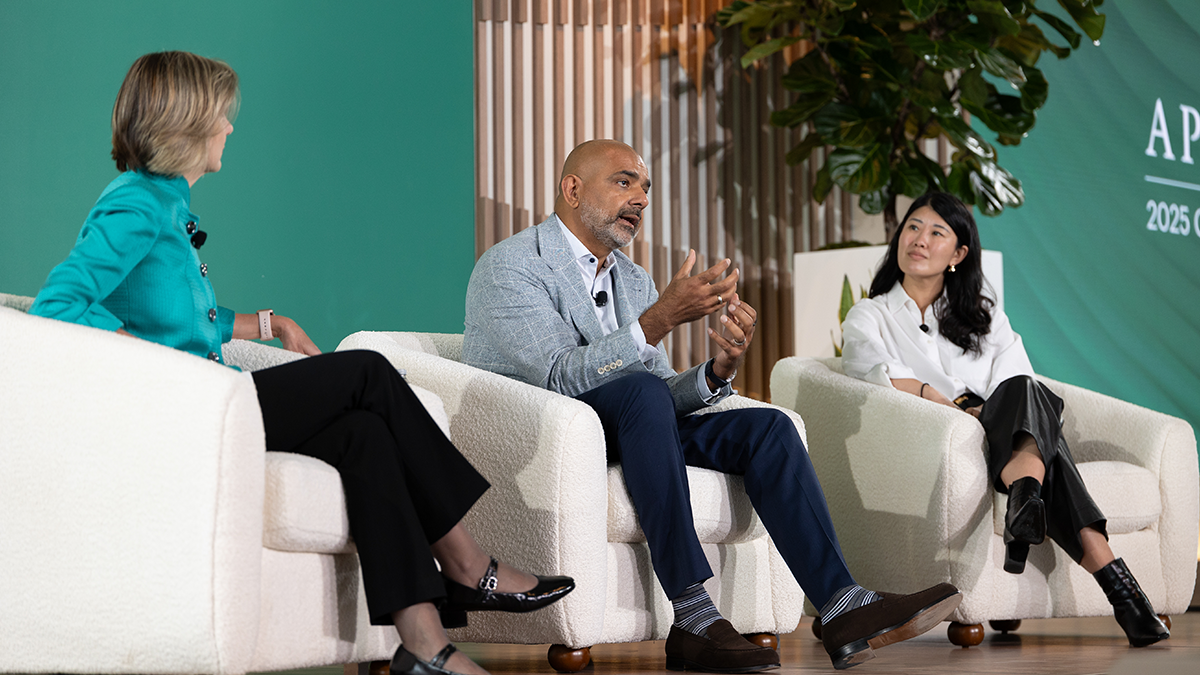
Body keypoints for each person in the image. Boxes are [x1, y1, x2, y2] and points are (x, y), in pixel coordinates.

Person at [28, 51, 574, 675]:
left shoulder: (165, 203)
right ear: (186, 123)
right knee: (366, 372)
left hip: (213, 401)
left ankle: (424, 647)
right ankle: (469, 563)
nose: (229, 127)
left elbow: (178, 314)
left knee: (364, 434)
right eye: (221, 115)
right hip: (192, 411)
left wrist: (270, 324)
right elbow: (56, 306)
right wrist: (143, 354)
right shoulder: (136, 205)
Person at [462, 139, 961, 671]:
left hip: (635, 425)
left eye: (645, 187)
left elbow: (660, 390)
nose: (641, 198)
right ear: (572, 189)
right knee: (640, 393)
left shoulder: (632, 278)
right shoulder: (512, 266)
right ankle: (694, 614)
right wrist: (657, 321)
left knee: (768, 428)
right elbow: (556, 377)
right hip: (549, 434)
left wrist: (717, 371)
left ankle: (843, 604)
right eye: (624, 182)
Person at [840, 191, 1170, 648]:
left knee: (1025, 393)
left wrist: (987, 411)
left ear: (958, 255)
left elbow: (1019, 380)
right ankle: (1112, 580)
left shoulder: (983, 315)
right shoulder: (870, 314)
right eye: (913, 227)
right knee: (1040, 432)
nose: (919, 239)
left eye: (936, 232)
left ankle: (1026, 496)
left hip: (1000, 420)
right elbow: (872, 373)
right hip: (937, 431)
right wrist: (943, 400)